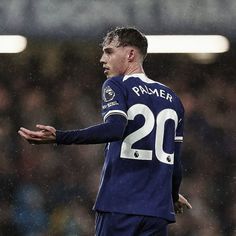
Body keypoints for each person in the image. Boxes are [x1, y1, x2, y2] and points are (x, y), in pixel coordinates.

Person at [18, 26, 192, 236]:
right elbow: (175, 163)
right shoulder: (172, 98)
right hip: (156, 212)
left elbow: (115, 129)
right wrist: (172, 196)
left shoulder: (117, 85)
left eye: (109, 51)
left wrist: (60, 137)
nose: (102, 58)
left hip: (120, 205)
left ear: (130, 54)